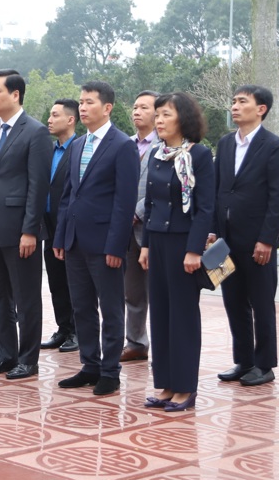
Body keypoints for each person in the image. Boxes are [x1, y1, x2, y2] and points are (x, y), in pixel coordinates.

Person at [54, 82, 139, 395]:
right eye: (81, 102)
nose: (83, 107)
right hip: (75, 242)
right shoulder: (77, 145)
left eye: (89, 102)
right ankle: (89, 365)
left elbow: (125, 200)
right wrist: (61, 236)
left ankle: (110, 371)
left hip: (106, 244)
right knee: (82, 308)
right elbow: (68, 196)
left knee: (112, 308)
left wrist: (116, 245)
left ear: (107, 108)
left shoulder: (122, 145)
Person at [0, 69, 52, 380]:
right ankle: (5, 355)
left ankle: (28, 359)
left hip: (19, 230)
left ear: (15, 95)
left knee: (26, 297)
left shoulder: (35, 132)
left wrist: (30, 230)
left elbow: (37, 185)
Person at [139, 92, 215, 412]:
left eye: (165, 115)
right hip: (156, 242)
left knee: (183, 316)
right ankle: (167, 384)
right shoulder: (157, 154)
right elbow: (151, 202)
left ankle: (186, 388)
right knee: (161, 315)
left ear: (183, 119)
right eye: (157, 115)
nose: (158, 120)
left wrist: (194, 250)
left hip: (184, 244)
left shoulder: (199, 155)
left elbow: (205, 207)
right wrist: (144, 244)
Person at [212, 85, 279, 387]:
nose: (234, 107)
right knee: (233, 301)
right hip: (225, 240)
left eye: (242, 102)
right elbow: (217, 190)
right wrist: (212, 231)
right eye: (233, 101)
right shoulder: (225, 143)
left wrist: (267, 239)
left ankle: (264, 364)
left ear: (261, 109)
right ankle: (243, 361)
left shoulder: (273, 146)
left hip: (258, 241)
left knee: (261, 302)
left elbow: (278, 196)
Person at [122, 90, 160, 363]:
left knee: (158, 290)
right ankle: (135, 342)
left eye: (144, 107)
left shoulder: (167, 146)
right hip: (126, 232)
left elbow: (162, 188)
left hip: (153, 228)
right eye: (135, 107)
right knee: (132, 290)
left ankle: (165, 345)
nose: (137, 112)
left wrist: (135, 211)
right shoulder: (125, 144)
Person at [41, 99, 79, 353]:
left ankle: (77, 330)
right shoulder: (47, 150)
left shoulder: (80, 149)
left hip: (71, 226)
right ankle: (63, 327)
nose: (49, 119)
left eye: (55, 115)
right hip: (47, 226)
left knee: (73, 280)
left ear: (70, 119)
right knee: (55, 280)